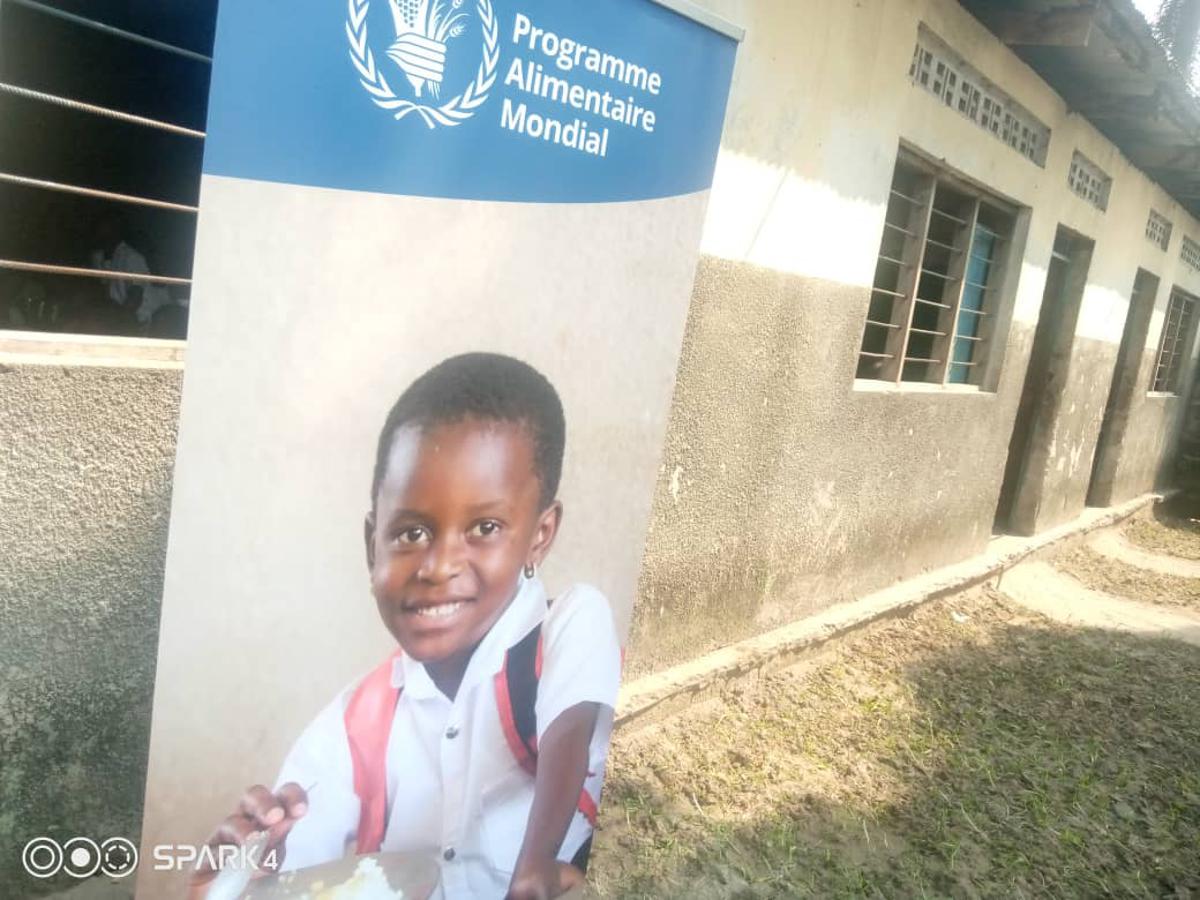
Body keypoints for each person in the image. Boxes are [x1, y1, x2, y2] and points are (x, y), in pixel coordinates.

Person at [190, 352, 622, 900]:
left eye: (484, 527)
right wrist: (238, 881)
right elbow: (296, 872)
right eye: (411, 533)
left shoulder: (566, 631)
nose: (438, 567)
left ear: (540, 535)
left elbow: (570, 733)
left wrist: (534, 867)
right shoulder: (350, 730)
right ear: (373, 545)